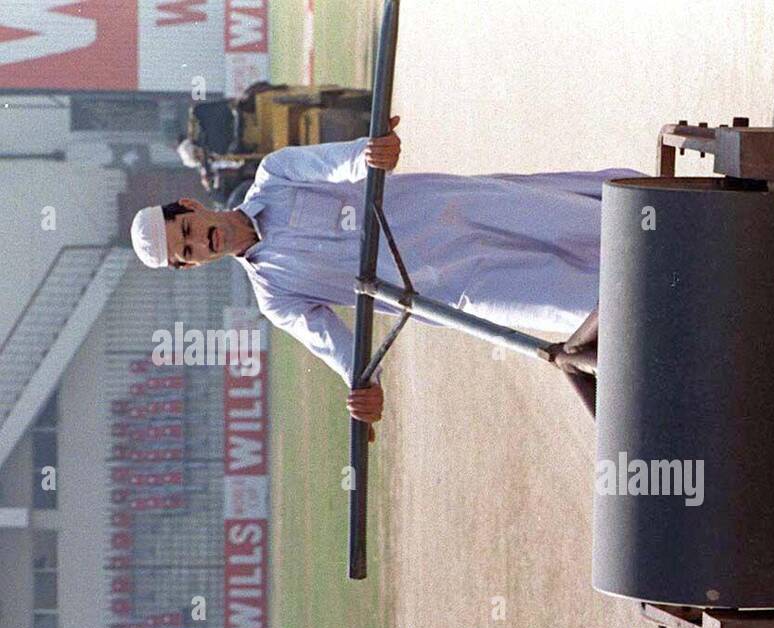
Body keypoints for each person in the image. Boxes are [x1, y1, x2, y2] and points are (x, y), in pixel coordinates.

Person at [130, 116, 638, 428]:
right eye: (189, 250)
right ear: (192, 266)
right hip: (458, 289)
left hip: (457, 207)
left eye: (189, 229)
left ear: (193, 204)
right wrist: (362, 391)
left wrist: (373, 154)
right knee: (580, 303)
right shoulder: (276, 296)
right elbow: (339, 350)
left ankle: (695, 233)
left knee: (594, 226)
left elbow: (342, 163)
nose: (200, 241)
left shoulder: (276, 175)